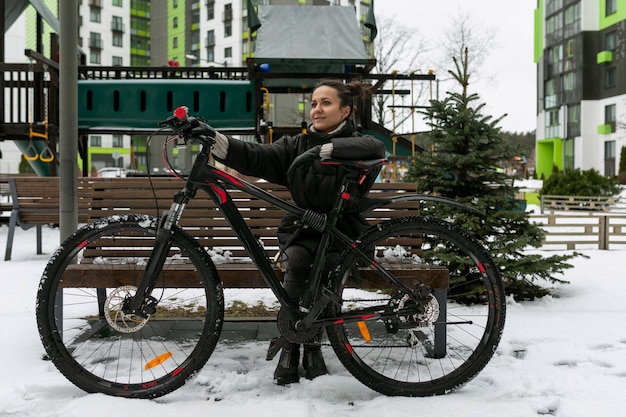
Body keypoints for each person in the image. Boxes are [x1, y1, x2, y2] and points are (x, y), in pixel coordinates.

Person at [208, 79, 385, 385]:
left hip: (342, 233)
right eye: (314, 103)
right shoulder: (296, 146)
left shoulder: (358, 145)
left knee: (327, 264)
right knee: (299, 261)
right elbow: (256, 155)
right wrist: (217, 141)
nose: (317, 109)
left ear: (345, 110)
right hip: (302, 230)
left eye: (325, 103)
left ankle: (313, 346)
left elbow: (376, 147)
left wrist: (328, 150)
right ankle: (291, 343)